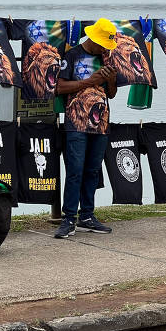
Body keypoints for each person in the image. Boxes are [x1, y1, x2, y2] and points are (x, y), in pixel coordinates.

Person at [54, 18, 118, 239]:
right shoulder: (72, 56)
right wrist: (89, 81)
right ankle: (69, 218)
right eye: (103, 44)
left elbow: (111, 93)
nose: (105, 49)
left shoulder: (107, 57)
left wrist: (110, 80)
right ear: (93, 38)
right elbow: (59, 87)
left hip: (101, 123)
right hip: (76, 122)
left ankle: (87, 216)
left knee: (92, 171)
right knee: (75, 170)